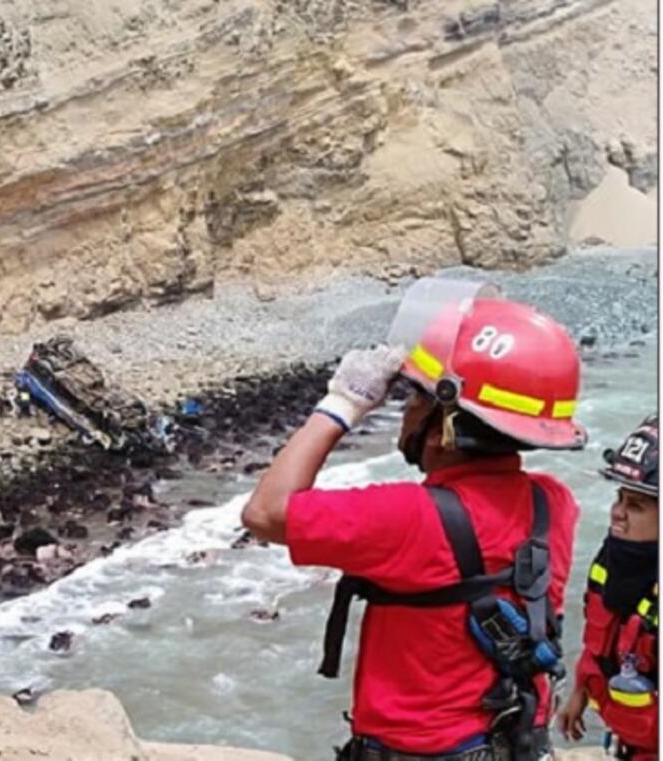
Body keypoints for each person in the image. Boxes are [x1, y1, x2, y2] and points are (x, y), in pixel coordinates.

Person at [241, 294, 588, 760]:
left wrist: (340, 404)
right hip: (515, 741)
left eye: (415, 399)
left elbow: (265, 512)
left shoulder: (407, 517)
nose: (405, 413)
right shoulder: (554, 502)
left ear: (446, 421)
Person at [558, 415, 659, 761]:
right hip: (628, 741)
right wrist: (580, 693)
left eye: (636, 506)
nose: (617, 513)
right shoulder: (613, 562)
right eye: (620, 498)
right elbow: (600, 638)